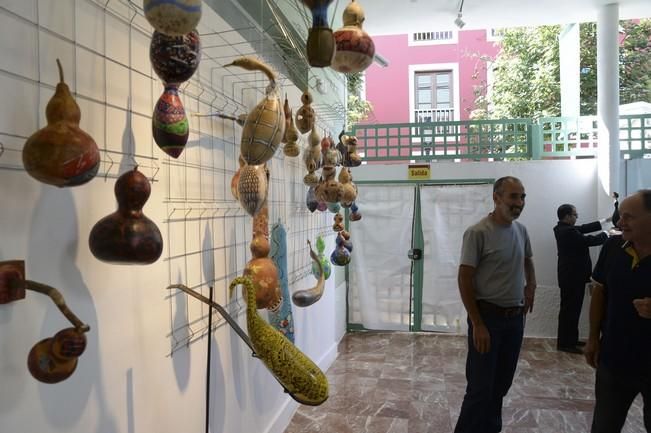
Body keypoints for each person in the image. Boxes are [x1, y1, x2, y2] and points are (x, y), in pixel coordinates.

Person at [454, 176, 537, 433]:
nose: (519, 203)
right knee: (480, 388)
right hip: (487, 319)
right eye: (513, 197)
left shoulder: (521, 230)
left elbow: (528, 259)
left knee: (501, 385)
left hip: (515, 320)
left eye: (522, 197)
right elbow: (464, 278)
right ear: (496, 197)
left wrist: (531, 284)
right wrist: (477, 323)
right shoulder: (478, 232)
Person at [585, 189, 651, 433]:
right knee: (604, 426)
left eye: (629, 216)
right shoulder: (614, 247)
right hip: (615, 360)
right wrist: (593, 339)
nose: (620, 222)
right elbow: (599, 292)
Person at [553, 204, 609, 354]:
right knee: (569, 310)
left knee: (572, 309)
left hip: (571, 277)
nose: (577, 217)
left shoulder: (563, 228)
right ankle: (565, 344)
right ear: (567, 216)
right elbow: (589, 240)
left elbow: (584, 228)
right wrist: (608, 234)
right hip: (571, 277)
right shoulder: (568, 232)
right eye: (575, 215)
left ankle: (570, 340)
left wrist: (606, 220)